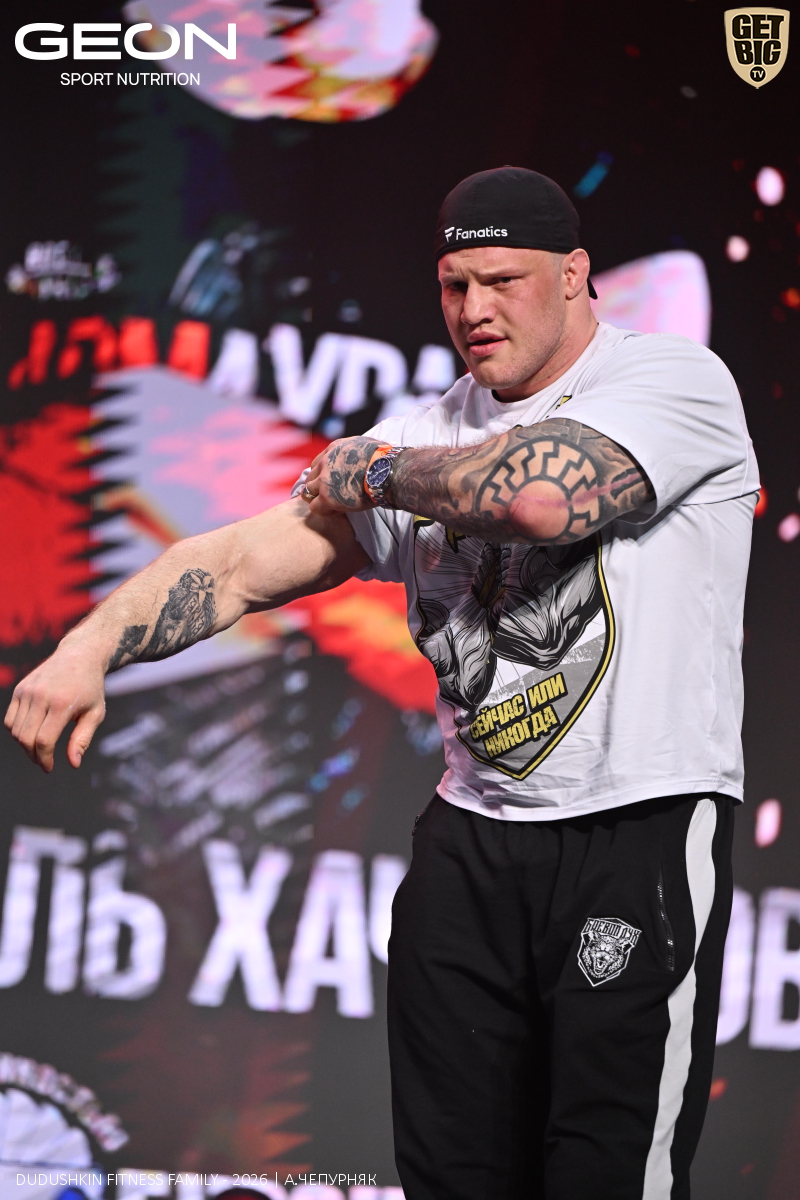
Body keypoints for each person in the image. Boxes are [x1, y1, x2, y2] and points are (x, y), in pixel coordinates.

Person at [5, 168, 758, 1200]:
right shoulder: (423, 430)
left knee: (607, 1174)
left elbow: (541, 499)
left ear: (574, 275)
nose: (474, 309)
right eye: (454, 285)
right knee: (450, 1175)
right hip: (471, 842)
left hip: (637, 827)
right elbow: (239, 563)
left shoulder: (670, 382)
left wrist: (372, 472)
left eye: (502, 280)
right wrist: (90, 647)